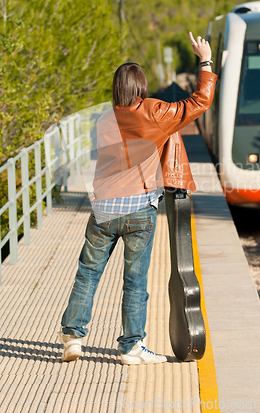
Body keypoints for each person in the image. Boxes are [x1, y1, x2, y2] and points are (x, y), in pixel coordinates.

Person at [58, 32, 217, 364]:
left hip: (103, 209)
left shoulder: (104, 119)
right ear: (141, 87)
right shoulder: (154, 112)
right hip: (138, 210)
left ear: (116, 88)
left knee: (88, 273)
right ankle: (131, 347)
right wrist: (205, 60)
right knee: (134, 280)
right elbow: (199, 102)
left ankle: (72, 338)